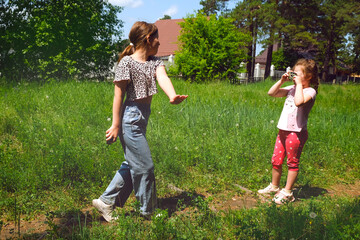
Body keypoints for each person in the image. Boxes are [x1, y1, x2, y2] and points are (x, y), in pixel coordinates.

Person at [92, 21, 188, 221]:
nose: (160, 42)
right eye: (157, 37)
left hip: (142, 117)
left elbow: (163, 77)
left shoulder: (154, 62)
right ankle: (148, 211)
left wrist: (172, 95)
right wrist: (116, 124)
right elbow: (118, 95)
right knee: (145, 166)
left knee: (132, 163)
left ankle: (106, 201)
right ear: (148, 39)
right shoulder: (126, 63)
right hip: (130, 119)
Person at [258, 58, 319, 204]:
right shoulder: (291, 89)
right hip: (283, 131)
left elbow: (299, 102)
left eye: (297, 74)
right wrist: (282, 81)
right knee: (276, 160)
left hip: (296, 133)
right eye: (293, 74)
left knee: (292, 162)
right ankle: (274, 186)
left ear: (309, 76)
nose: (294, 77)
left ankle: (288, 192)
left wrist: (298, 84)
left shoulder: (310, 91)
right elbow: (271, 93)